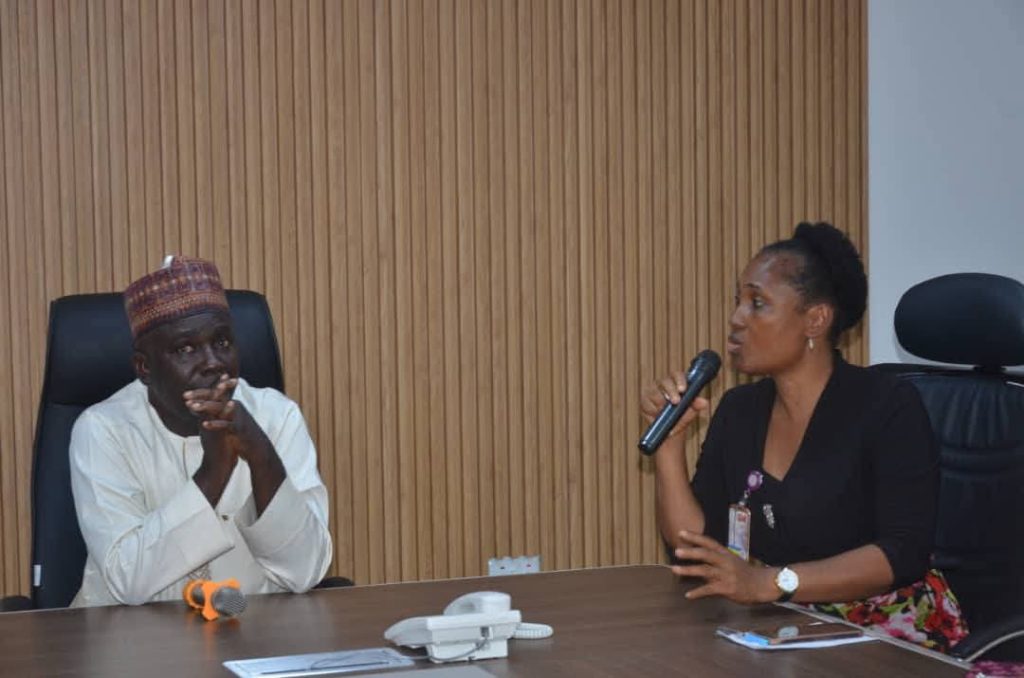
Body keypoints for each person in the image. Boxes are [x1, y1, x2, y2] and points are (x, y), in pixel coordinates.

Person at [641, 222, 966, 651]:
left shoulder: (886, 404)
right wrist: (669, 444)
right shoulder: (739, 410)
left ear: (815, 320)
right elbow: (696, 548)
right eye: (738, 301)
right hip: (782, 625)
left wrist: (770, 582)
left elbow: (902, 552)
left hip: (887, 632)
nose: (736, 318)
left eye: (757, 303)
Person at [69, 256, 332, 607]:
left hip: (255, 627)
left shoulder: (277, 416)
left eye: (222, 342)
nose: (213, 363)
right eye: (186, 349)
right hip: (129, 632)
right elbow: (127, 583)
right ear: (144, 367)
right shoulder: (103, 429)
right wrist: (215, 470)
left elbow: (306, 571)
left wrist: (261, 455)